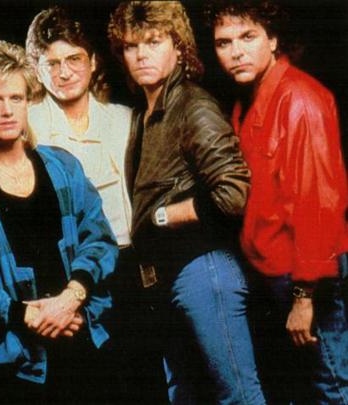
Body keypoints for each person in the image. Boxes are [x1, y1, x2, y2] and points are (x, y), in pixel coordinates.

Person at [0, 40, 118, 404]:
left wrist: (72, 298)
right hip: (16, 366)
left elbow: (100, 239)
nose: (7, 110)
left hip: (84, 340)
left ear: (28, 102)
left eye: (16, 98)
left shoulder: (63, 166)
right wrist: (26, 316)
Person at [108, 2, 265, 404]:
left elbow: (234, 193)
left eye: (153, 42)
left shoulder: (193, 106)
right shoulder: (145, 113)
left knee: (238, 396)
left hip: (204, 272)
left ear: (179, 48)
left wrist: (165, 215)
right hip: (169, 277)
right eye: (131, 46)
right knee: (186, 395)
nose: (141, 55)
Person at [206, 1, 348, 403]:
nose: (236, 52)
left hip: (307, 275)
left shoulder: (299, 99)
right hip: (275, 272)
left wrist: (305, 297)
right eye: (224, 42)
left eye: (248, 37)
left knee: (333, 386)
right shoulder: (249, 100)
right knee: (306, 386)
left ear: (272, 40)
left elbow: (317, 205)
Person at [25, 7, 154, 401]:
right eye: (52, 63)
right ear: (36, 69)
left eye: (74, 59)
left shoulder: (125, 119)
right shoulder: (27, 126)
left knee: (145, 381)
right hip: (67, 276)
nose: (64, 73)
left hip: (131, 268)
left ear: (93, 61)